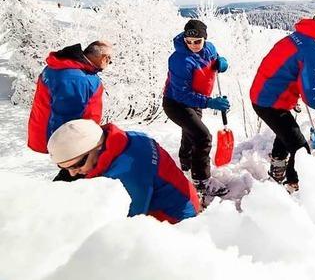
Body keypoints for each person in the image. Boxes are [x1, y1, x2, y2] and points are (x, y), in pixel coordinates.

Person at [250, 11, 315, 192]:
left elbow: (288, 72)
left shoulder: (297, 37)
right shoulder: (313, 48)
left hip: (263, 96)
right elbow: (310, 92)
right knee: (301, 151)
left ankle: (277, 171)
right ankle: (294, 187)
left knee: (286, 134)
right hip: (270, 102)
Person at [48, 119, 200, 223]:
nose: (72, 173)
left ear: (97, 147)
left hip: (176, 218)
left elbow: (125, 225)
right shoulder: (125, 139)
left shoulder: (126, 177)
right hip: (179, 195)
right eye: (63, 167)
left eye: (76, 165)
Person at [162, 19, 230, 205]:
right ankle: (202, 181)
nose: (192, 45)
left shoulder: (209, 48)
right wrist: (210, 102)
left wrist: (221, 62)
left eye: (197, 41)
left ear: (204, 39)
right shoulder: (179, 60)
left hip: (195, 101)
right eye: (188, 41)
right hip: (176, 103)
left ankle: (186, 162)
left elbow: (215, 57)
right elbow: (182, 94)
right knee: (202, 137)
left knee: (191, 132)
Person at [27, 40, 113, 182]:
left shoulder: (65, 68)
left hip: (61, 137)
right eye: (110, 61)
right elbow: (67, 121)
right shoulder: (75, 78)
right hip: (74, 142)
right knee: (75, 173)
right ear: (105, 58)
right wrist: (72, 150)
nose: (108, 65)